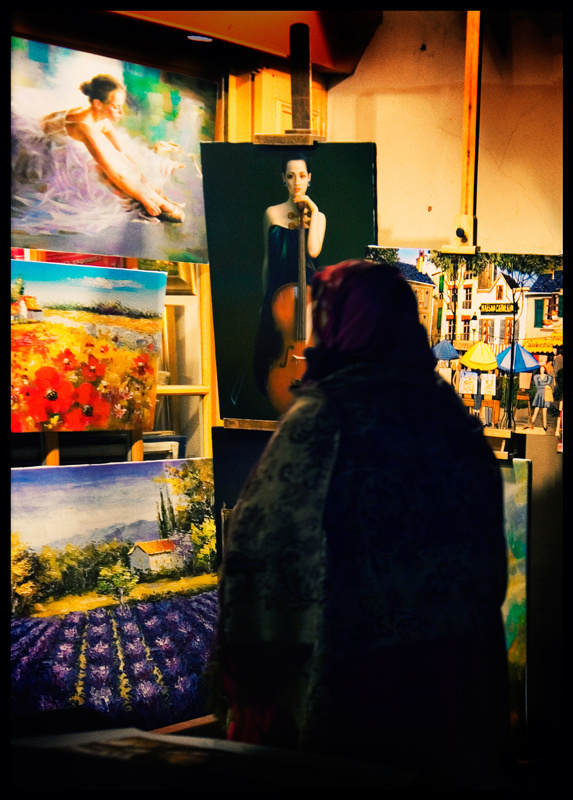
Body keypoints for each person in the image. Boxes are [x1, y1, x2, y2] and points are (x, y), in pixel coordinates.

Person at [215, 259, 513, 788]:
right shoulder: (455, 424)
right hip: (456, 682)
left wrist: (244, 673)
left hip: (357, 685)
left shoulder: (323, 421)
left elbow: (260, 552)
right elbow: (490, 565)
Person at [12, 74, 185, 235]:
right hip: (46, 152)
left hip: (62, 136)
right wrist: (146, 198)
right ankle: (160, 203)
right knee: (98, 169)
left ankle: (158, 198)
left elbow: (124, 154)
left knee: (123, 159)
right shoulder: (84, 127)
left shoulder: (101, 120)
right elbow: (114, 171)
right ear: (98, 104)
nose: (121, 112)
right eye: (116, 107)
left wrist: (147, 183)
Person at [253, 152, 326, 402]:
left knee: (308, 342)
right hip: (278, 292)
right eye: (291, 176)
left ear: (309, 178)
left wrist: (313, 211)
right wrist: (265, 297)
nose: (297, 182)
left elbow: (313, 251)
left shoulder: (318, 217)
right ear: (283, 178)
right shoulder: (271, 214)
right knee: (272, 350)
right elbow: (267, 259)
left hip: (307, 292)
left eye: (302, 176)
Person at [530, 364, 554, 431]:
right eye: (541, 369)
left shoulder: (547, 377)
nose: (542, 370)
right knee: (536, 409)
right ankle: (531, 422)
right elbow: (537, 385)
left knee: (545, 410)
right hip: (539, 393)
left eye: (543, 369)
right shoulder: (537, 377)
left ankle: (545, 425)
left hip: (545, 393)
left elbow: (549, 381)